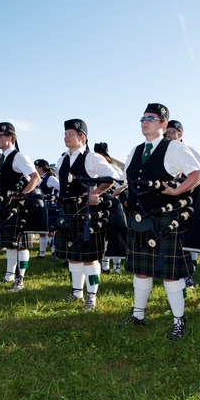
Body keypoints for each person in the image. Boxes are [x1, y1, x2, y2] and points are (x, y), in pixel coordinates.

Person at [121, 103, 200, 339]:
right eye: (143, 118)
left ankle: (179, 321)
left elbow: (197, 174)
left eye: (151, 118)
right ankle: (138, 314)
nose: (145, 122)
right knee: (141, 270)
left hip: (167, 218)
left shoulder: (174, 148)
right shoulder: (136, 150)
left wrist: (178, 192)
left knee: (171, 273)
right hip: (140, 219)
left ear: (163, 124)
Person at [56, 119, 120, 311]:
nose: (66, 137)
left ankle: (91, 296)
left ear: (81, 137)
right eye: (65, 133)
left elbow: (113, 177)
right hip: (67, 211)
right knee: (73, 255)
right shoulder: (61, 160)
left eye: (70, 134)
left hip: (87, 212)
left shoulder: (92, 158)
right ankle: (77, 293)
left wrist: (96, 193)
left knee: (89, 257)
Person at [164, 120, 200, 288]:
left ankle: (189, 275)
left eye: (172, 131)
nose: (168, 135)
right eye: (166, 132)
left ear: (180, 134)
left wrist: (192, 185)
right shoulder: (161, 150)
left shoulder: (190, 150)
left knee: (188, 234)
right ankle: (171, 272)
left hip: (189, 198)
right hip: (169, 198)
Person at [0, 122, 40, 291]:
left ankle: (20, 278)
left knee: (21, 244)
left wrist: (22, 194)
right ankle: (9, 275)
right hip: (6, 205)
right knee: (10, 244)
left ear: (9, 138)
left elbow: (35, 177)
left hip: (18, 207)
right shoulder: (2, 159)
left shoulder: (19, 157)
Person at [93, 142, 127, 274]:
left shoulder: (113, 167)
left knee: (114, 234)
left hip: (111, 204)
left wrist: (113, 194)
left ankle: (116, 267)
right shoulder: (95, 166)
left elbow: (124, 183)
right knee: (102, 234)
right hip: (99, 203)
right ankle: (105, 266)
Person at [34, 158, 60, 259]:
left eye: (36, 167)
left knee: (50, 231)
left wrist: (55, 198)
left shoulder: (51, 178)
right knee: (41, 230)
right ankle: (42, 253)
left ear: (41, 168)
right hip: (40, 207)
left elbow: (60, 188)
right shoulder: (37, 178)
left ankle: (54, 252)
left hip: (50, 207)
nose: (35, 169)